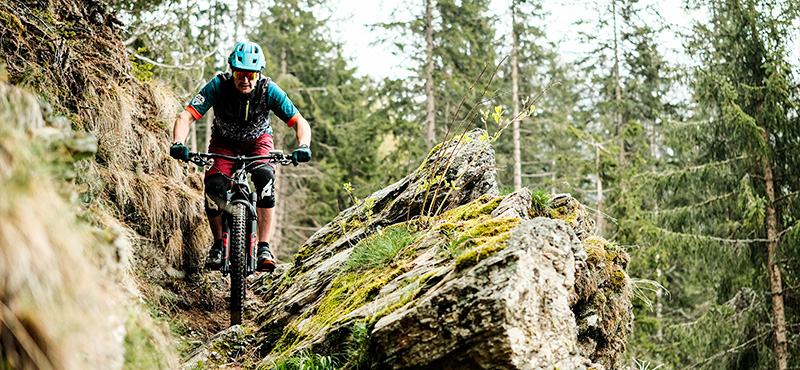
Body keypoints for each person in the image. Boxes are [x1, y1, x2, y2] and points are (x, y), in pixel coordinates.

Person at [169, 41, 311, 272]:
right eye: (239, 73)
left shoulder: (269, 90)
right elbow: (186, 117)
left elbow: (299, 122)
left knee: (265, 178)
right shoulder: (218, 86)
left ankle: (263, 246)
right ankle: (218, 244)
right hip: (224, 144)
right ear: (231, 71)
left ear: (259, 73)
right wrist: (178, 143)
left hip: (258, 142)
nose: (245, 79)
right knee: (214, 185)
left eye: (251, 74)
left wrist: (303, 145)